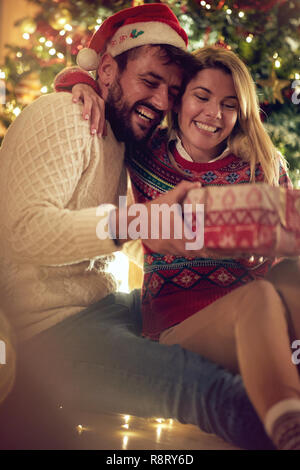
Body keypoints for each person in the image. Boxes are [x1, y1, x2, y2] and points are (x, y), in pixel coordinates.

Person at [0, 4, 276, 450]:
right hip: (49, 336)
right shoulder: (64, 116)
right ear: (106, 71)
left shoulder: (117, 136)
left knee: (240, 330)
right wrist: (137, 220)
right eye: (150, 82)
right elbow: (23, 231)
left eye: (173, 90)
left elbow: (112, 233)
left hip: (112, 307)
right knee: (208, 390)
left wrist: (192, 245)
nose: (164, 102)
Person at [55, 42, 300, 450]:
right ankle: (287, 422)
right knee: (258, 298)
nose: (213, 114)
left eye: (229, 104)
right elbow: (108, 91)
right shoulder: (146, 152)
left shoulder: (261, 164)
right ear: (179, 98)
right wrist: (77, 80)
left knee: (277, 290)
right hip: (177, 325)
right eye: (201, 97)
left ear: (241, 114)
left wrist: (270, 243)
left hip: (259, 319)